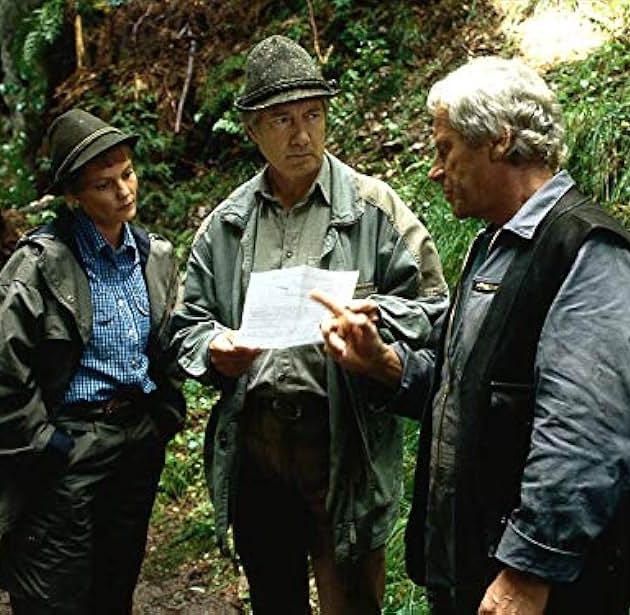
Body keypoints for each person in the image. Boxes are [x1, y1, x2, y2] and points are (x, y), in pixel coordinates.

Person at [312, 56, 630, 614]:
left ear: (499, 141)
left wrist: (528, 571)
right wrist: (383, 364)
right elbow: (475, 392)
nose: (435, 170)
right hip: (472, 571)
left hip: (551, 592)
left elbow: (590, 434)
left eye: (445, 149)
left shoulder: (587, 252)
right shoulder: (493, 247)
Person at [168, 35, 448, 613]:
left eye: (312, 116)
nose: (301, 135)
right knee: (274, 596)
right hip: (258, 442)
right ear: (252, 129)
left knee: (352, 597)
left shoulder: (375, 210)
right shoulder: (226, 226)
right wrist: (214, 349)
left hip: (341, 440)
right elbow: (185, 324)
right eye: (282, 120)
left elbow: (435, 310)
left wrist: (373, 321)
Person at [0, 108, 185, 614]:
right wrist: (46, 445)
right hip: (69, 448)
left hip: (135, 445)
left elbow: (170, 344)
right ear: (74, 197)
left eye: (127, 174)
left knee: (114, 587)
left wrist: (165, 414)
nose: (124, 191)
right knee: (51, 595)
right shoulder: (40, 265)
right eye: (104, 184)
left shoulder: (155, 256)